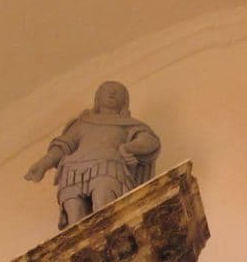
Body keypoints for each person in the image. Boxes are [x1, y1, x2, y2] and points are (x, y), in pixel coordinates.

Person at [24, 81, 161, 229]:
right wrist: (44, 164)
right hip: (72, 170)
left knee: (104, 206)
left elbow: (150, 141)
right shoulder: (82, 123)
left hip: (108, 167)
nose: (112, 93)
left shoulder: (129, 124)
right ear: (97, 97)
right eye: (107, 89)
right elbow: (64, 146)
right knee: (76, 220)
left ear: (124, 102)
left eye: (118, 91)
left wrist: (128, 147)